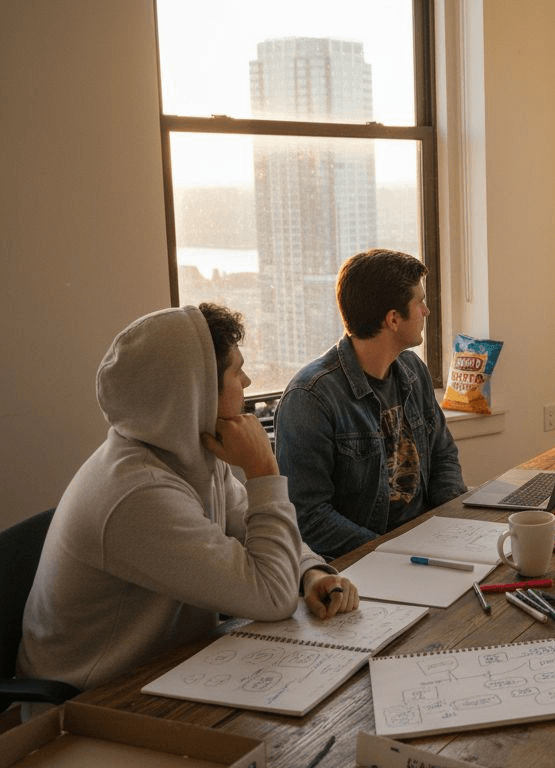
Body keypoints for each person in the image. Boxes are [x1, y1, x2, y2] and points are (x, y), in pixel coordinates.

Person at [18, 304, 358, 693]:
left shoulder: (188, 456)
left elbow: (250, 527)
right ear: (196, 392)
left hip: (167, 671)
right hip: (89, 704)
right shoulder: (137, 494)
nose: (246, 381)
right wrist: (264, 472)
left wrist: (309, 571)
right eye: (236, 371)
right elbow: (272, 596)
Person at [275, 249, 467, 559]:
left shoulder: (413, 371)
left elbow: (442, 454)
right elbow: (309, 516)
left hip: (425, 546)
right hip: (364, 562)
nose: (426, 310)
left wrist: (450, 525)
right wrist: (393, 552)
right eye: (419, 303)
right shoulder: (309, 398)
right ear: (393, 319)